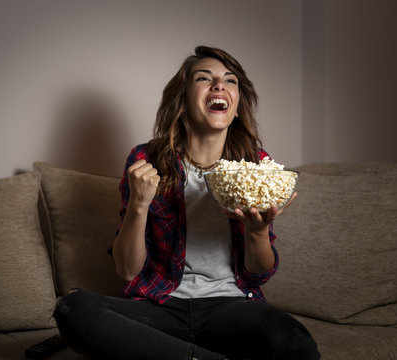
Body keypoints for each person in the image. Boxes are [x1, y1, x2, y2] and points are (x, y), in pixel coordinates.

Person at [53, 46, 320, 360]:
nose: (219, 85)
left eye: (229, 81)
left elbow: (259, 272)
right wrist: (139, 205)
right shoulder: (145, 160)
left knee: (295, 343)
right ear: (182, 101)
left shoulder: (256, 167)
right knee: (74, 308)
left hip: (231, 307)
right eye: (204, 78)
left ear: (236, 108)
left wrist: (257, 233)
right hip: (161, 308)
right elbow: (127, 270)